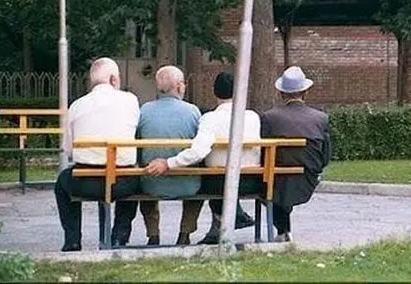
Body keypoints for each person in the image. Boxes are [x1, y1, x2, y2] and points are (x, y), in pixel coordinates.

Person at [146, 71, 262, 244]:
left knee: (203, 175)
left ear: (215, 92)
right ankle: (227, 221)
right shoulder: (253, 117)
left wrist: (168, 163)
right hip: (251, 181)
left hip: (218, 183)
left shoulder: (210, 119)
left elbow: (198, 152)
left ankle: (222, 224)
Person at [54, 57, 140, 251]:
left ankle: (72, 240)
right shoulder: (130, 100)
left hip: (86, 182)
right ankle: (119, 236)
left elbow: (68, 149)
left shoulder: (76, 105)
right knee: (137, 179)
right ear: (113, 79)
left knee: (62, 183)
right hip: (122, 182)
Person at [123, 65, 202, 246]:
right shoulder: (193, 111)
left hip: (152, 184)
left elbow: (137, 145)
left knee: (145, 170)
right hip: (188, 185)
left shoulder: (144, 110)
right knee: (201, 178)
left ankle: (153, 235)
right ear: (179, 86)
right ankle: (185, 233)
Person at [259, 66, 333, 242]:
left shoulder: (269, 117)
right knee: (282, 184)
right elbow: (325, 156)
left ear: (281, 94)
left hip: (275, 178)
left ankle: (283, 230)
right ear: (305, 92)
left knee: (273, 185)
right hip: (307, 176)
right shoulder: (321, 118)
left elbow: (261, 153)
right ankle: (284, 231)